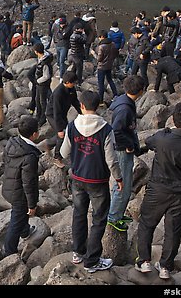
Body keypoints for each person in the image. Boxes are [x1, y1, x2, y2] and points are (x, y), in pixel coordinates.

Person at [135, 102, 181, 279]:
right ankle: (166, 266)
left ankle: (144, 261)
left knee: (146, 224)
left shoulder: (163, 138)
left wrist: (166, 131)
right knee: (173, 231)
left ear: (173, 119)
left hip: (158, 189)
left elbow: (148, 141)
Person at [60, 90, 123, 273]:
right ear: (98, 107)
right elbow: (111, 159)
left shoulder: (72, 126)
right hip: (98, 180)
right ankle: (92, 260)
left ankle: (78, 252)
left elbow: (64, 153)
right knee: (99, 218)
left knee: (79, 214)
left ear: (81, 106)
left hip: (78, 178)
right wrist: (118, 178)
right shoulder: (105, 129)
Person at [107, 75, 146, 232]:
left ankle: (117, 212)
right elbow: (116, 130)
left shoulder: (123, 101)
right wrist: (129, 145)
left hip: (122, 147)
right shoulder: (124, 108)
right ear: (141, 91)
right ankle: (113, 217)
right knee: (122, 185)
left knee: (125, 183)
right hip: (122, 150)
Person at [1, 116, 42, 257]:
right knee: (16, 220)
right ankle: (9, 251)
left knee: (20, 214)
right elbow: (28, 182)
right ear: (35, 134)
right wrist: (32, 204)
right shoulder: (29, 156)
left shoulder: (12, 142)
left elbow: (5, 162)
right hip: (19, 193)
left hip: (9, 185)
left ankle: (25, 231)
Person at [45, 71, 82, 168]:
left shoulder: (71, 89)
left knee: (66, 132)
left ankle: (48, 144)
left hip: (62, 114)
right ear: (67, 82)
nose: (74, 84)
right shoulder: (58, 93)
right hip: (52, 115)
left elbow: (75, 102)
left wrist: (83, 113)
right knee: (62, 135)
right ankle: (57, 158)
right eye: (73, 82)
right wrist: (59, 129)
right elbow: (56, 112)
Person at [32, 43, 54, 126]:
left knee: (42, 101)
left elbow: (46, 76)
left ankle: (43, 117)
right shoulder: (41, 58)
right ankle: (38, 115)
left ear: (37, 52)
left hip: (43, 84)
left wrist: (38, 81)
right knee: (37, 100)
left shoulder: (45, 63)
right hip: (39, 83)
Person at [96, 30, 119, 105]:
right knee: (110, 80)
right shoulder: (112, 44)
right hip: (109, 66)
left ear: (102, 37)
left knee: (101, 84)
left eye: (99, 37)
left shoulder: (101, 47)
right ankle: (115, 95)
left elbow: (99, 59)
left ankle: (100, 101)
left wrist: (93, 54)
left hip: (101, 67)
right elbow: (116, 53)